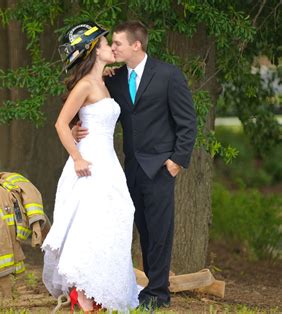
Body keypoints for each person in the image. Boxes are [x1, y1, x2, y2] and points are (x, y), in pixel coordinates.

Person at [73, 21, 197, 309]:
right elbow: (98, 111)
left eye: (117, 43)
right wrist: (79, 127)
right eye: (112, 44)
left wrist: (176, 161)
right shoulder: (114, 80)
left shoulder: (167, 75)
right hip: (128, 169)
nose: (113, 48)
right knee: (139, 226)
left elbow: (187, 123)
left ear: (136, 45)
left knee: (159, 231)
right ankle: (145, 288)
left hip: (161, 167)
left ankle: (158, 294)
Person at [41, 22, 140, 312]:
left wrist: (105, 73)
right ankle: (82, 292)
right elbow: (61, 123)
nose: (112, 47)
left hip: (107, 161)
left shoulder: (102, 82)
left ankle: (98, 286)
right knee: (89, 225)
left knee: (114, 218)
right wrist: (77, 157)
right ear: (95, 50)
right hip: (89, 162)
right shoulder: (85, 85)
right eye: (107, 43)